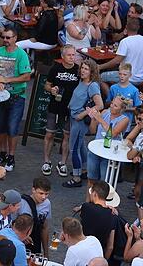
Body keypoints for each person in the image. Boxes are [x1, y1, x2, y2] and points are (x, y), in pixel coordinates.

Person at [0, 25, 31, 171]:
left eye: (8, 37)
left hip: (17, 96)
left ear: (15, 38)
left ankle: (11, 156)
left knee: (13, 128)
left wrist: (6, 81)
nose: (5, 40)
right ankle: (2, 152)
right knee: (1, 126)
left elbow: (26, 76)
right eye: (3, 37)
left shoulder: (21, 55)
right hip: (1, 96)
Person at [64, 59, 104, 188]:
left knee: (74, 147)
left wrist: (82, 114)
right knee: (80, 145)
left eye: (86, 69)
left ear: (92, 71)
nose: (82, 70)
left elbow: (100, 105)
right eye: (82, 68)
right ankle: (85, 170)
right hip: (74, 118)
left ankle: (76, 178)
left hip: (79, 121)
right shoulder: (82, 81)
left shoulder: (92, 85)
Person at [42, 45, 80, 176]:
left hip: (70, 108)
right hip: (55, 105)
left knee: (67, 136)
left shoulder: (78, 70)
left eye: (73, 55)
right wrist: (51, 90)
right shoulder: (55, 68)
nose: (72, 57)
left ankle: (62, 163)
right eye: (69, 55)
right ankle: (47, 161)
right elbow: (47, 84)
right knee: (49, 134)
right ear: (62, 57)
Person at [86, 96, 129, 186]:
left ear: (122, 109)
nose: (112, 106)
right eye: (112, 103)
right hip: (96, 149)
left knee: (105, 182)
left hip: (109, 154)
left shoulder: (124, 119)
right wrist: (93, 119)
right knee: (91, 179)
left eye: (116, 106)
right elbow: (92, 130)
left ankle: (105, 200)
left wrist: (100, 119)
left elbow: (113, 134)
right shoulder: (105, 112)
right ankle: (88, 200)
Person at [80, 181, 119, 261]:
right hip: (99, 254)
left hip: (82, 250)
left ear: (95, 194)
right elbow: (110, 246)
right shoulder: (113, 216)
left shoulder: (86, 207)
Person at [100, 18, 143, 91]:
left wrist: (100, 67)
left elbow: (116, 61)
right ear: (138, 28)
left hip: (127, 77)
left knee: (100, 77)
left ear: (126, 27)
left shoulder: (125, 41)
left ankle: (110, 100)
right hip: (141, 78)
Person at [17, 177, 52, 258]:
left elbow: (44, 227)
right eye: (41, 193)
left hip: (35, 243)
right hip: (20, 243)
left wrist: (46, 253)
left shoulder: (47, 204)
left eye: (46, 194)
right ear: (33, 190)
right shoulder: (21, 203)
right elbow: (10, 224)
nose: (44, 197)